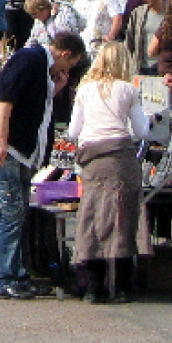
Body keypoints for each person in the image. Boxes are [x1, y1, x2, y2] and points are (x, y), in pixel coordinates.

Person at [0, 30, 86, 299]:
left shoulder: (41, 68)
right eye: (71, 63)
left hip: (22, 149)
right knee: (12, 211)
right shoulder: (30, 59)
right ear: (64, 54)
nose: (68, 69)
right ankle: (7, 278)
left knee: (18, 211)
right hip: (8, 147)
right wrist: (2, 139)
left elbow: (34, 104)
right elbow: (5, 98)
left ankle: (18, 273)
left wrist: (57, 88)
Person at [68, 43, 150, 303]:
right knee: (123, 220)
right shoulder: (128, 90)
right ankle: (123, 286)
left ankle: (93, 286)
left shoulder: (84, 90)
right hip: (121, 158)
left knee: (92, 217)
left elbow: (72, 131)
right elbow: (142, 131)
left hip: (92, 160)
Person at [123, 0, 166, 75]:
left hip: (162, 65)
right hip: (142, 65)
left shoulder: (169, 14)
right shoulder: (138, 13)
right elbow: (129, 38)